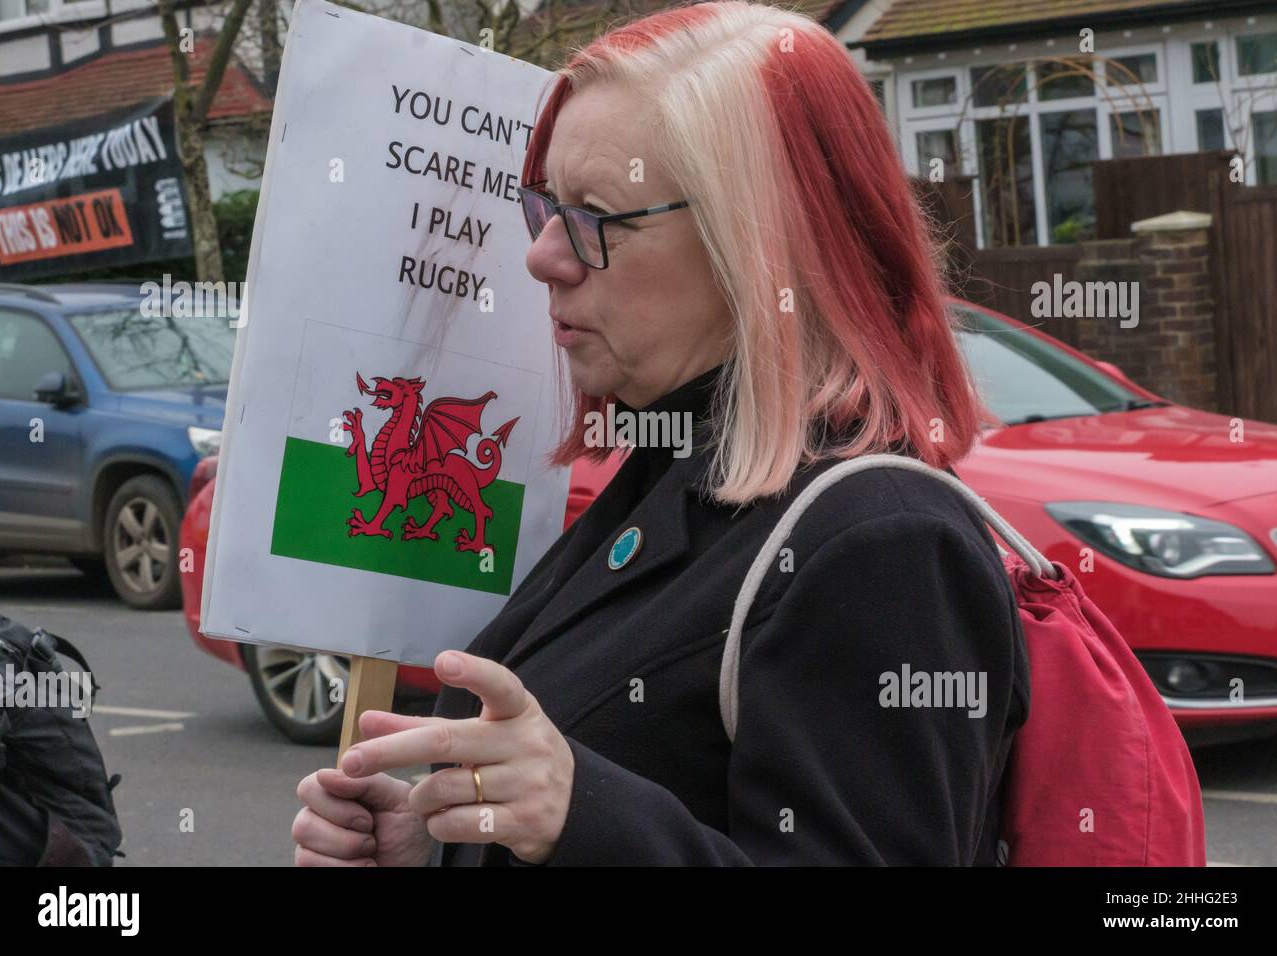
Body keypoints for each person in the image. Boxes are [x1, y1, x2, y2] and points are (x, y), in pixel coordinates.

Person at [293, 0, 1029, 867]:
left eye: (596, 216)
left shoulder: (883, 544)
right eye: (545, 207)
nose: (542, 257)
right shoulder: (673, 476)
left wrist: (580, 811)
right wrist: (438, 844)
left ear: (756, 245)